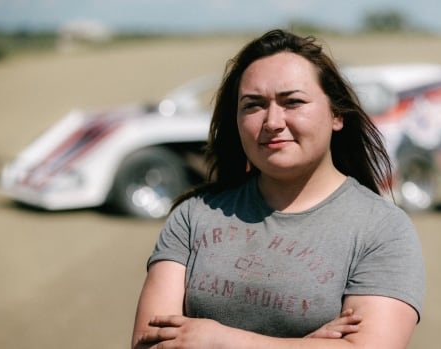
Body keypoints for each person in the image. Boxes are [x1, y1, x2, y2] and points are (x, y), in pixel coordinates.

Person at [131, 29, 425, 349]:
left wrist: (220, 340)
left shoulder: (381, 229)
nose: (272, 121)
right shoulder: (193, 217)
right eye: (253, 105)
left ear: (336, 114)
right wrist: (305, 345)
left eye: (292, 102)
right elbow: (150, 344)